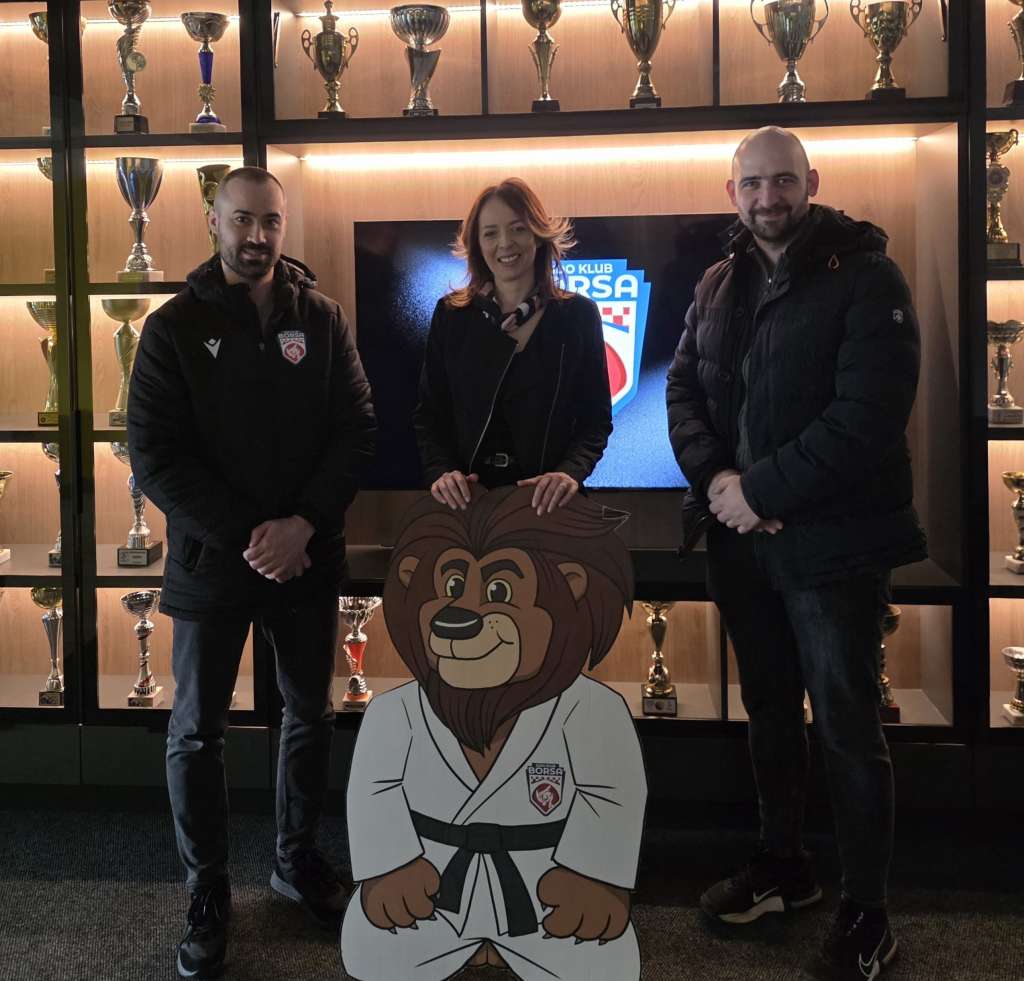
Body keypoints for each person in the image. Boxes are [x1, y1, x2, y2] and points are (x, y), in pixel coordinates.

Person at [666, 127, 926, 981]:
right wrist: (719, 483)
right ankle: (785, 864)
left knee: (848, 727)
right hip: (740, 543)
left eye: (782, 181)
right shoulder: (717, 281)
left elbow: (868, 417)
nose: (767, 197)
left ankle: (868, 912)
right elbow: (681, 389)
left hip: (833, 549)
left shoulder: (868, 276)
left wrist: (761, 492)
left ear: (811, 182)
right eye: (752, 183)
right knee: (771, 713)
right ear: (731, 191)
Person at [127, 166, 376, 980]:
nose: (257, 235)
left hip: (307, 557)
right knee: (196, 729)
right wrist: (251, 535)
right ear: (214, 220)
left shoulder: (323, 319)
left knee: (311, 711)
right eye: (241, 219)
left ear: (283, 223)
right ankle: (207, 889)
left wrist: (301, 525)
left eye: (270, 220)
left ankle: (295, 857)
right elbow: (154, 453)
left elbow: (357, 428)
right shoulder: (173, 326)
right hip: (213, 562)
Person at [414, 177, 612, 516]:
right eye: (490, 233)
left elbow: (595, 420)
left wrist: (569, 473)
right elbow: (429, 415)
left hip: (550, 507)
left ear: (537, 234)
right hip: (467, 507)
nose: (505, 243)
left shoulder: (578, 316)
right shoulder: (451, 316)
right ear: (477, 244)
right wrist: (442, 472)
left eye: (518, 229)